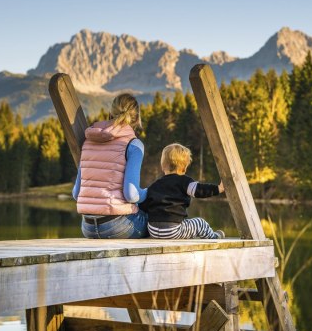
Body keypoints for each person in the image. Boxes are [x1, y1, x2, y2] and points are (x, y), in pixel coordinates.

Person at [72, 93, 148, 238]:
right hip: (118, 226)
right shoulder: (133, 144)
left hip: (87, 227)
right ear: (137, 118)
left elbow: (76, 193)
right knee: (154, 222)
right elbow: (131, 195)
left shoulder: (88, 141)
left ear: (110, 113)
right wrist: (149, 193)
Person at [142, 143, 225, 239]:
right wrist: (218, 188)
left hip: (153, 230)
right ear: (184, 167)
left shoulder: (155, 185)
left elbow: (144, 205)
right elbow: (199, 190)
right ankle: (213, 236)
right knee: (200, 223)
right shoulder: (184, 182)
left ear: (163, 165)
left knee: (185, 224)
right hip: (172, 231)